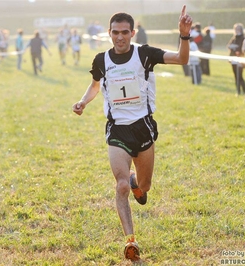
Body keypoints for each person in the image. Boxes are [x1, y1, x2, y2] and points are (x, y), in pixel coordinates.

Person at [72, 6, 192, 262]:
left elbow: (182, 59)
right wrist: (83, 101)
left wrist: (184, 36)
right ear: (109, 33)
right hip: (117, 129)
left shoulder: (145, 54)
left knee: (143, 185)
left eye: (125, 32)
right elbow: (95, 85)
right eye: (115, 32)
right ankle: (131, 242)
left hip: (143, 127)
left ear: (132, 32)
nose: (120, 37)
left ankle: (140, 184)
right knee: (122, 184)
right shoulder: (101, 59)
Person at [227, 23, 245, 95]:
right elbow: (228, 45)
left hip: (240, 59)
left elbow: (243, 48)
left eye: (238, 29)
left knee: (240, 76)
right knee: (235, 76)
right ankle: (238, 90)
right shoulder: (234, 38)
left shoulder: (243, 38)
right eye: (235, 29)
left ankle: (244, 90)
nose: (237, 30)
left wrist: (237, 49)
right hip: (233, 59)